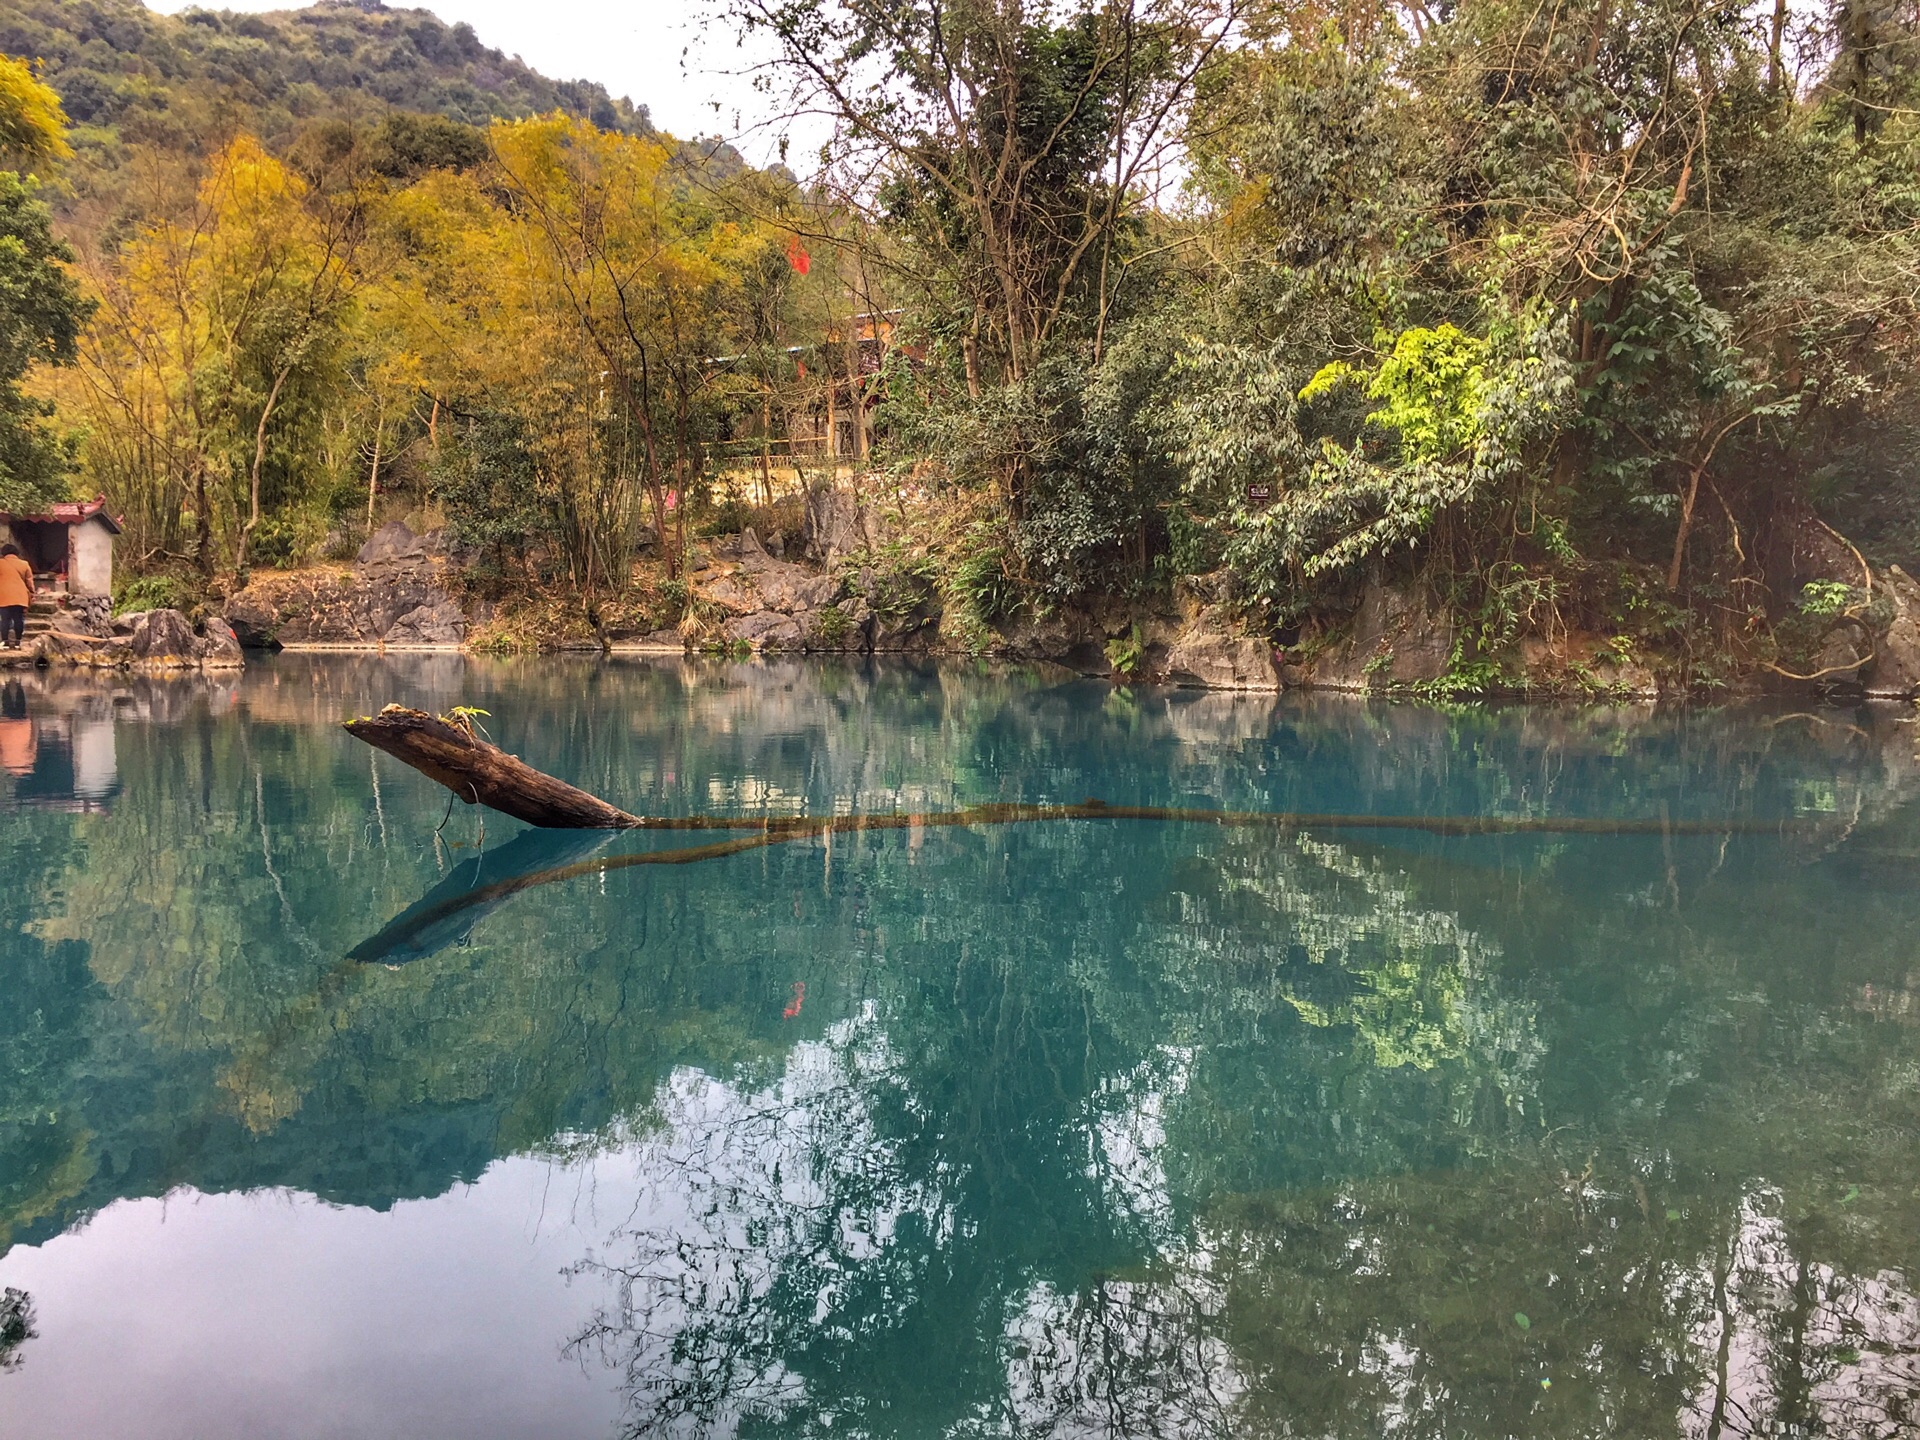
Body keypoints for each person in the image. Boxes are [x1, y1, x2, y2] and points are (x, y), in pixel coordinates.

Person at [0, 543, 33, 650]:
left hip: (3, 595)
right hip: (20, 595)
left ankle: (5, 643)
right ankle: (18, 642)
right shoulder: (24, 564)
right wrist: (32, 593)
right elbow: (29, 581)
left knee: (5, 619)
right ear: (16, 553)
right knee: (18, 619)